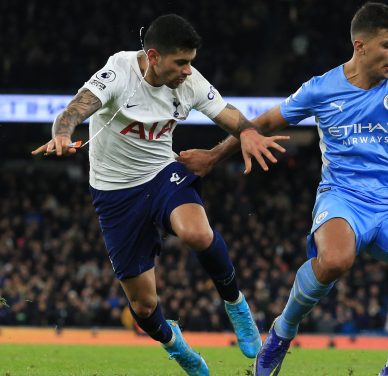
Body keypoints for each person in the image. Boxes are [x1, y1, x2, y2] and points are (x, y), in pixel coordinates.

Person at [177, 3, 388, 375]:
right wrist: (213, 156)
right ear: (361, 46)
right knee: (336, 260)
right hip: (343, 198)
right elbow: (263, 122)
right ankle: (283, 331)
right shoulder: (322, 88)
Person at [32, 14, 288, 376]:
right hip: (115, 194)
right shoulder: (119, 71)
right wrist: (62, 132)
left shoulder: (190, 81)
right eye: (181, 62)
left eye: (191, 62)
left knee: (198, 233)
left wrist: (247, 131)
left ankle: (237, 305)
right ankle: (175, 345)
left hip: (161, 174)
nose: (187, 70)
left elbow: (229, 114)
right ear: (153, 56)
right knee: (143, 304)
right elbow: (76, 108)